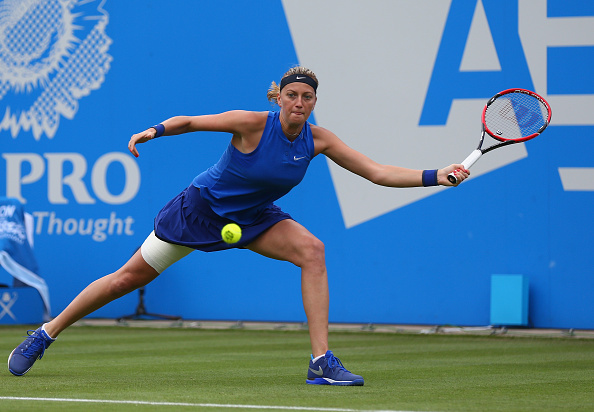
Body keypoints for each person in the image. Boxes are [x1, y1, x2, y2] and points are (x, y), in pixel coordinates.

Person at [8, 66, 469, 385]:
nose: (299, 104)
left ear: (313, 103)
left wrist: (436, 175)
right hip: (198, 212)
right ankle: (45, 333)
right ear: (280, 97)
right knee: (124, 279)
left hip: (254, 219)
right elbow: (190, 120)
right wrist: (155, 131)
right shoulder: (251, 124)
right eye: (292, 95)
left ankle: (321, 362)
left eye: (308, 98)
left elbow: (377, 173)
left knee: (313, 251)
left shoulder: (319, 140)